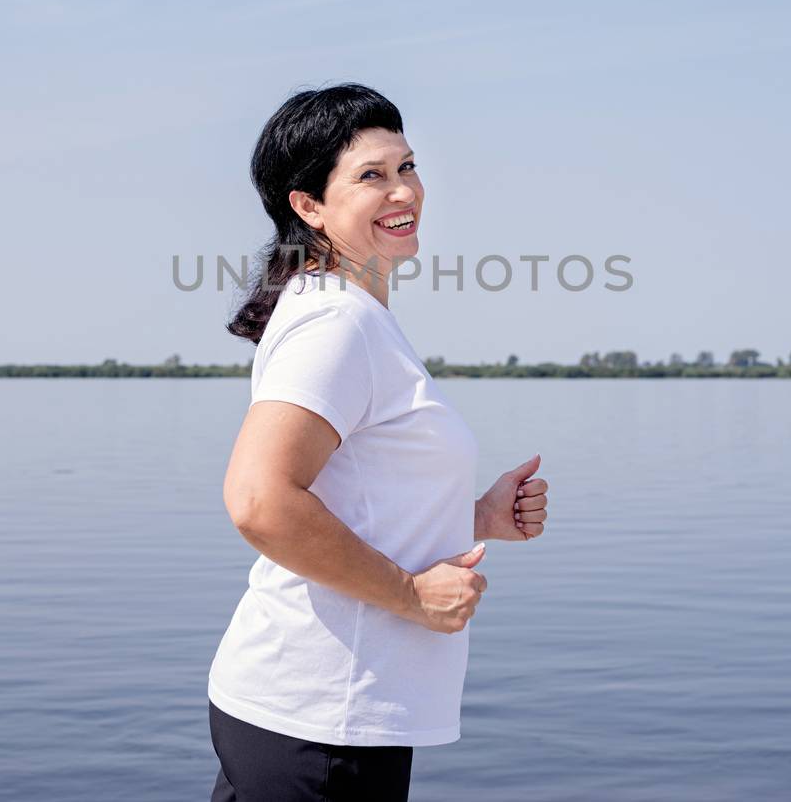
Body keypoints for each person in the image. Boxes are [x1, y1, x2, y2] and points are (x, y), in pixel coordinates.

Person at [207, 84, 552, 801]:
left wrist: (472, 520)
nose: (404, 191)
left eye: (408, 166)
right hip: (322, 721)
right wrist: (410, 596)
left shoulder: (345, 313)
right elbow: (258, 500)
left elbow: (356, 491)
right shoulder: (337, 322)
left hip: (323, 715)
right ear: (308, 206)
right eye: (371, 176)